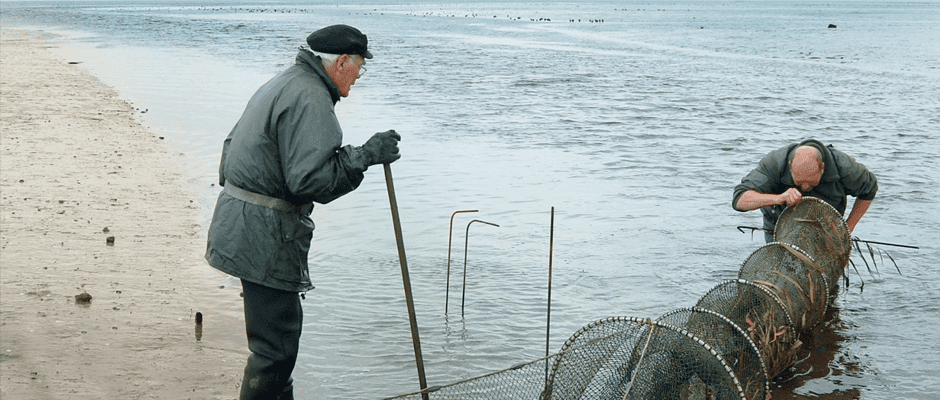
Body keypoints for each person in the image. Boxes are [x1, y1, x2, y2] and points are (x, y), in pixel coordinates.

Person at [204, 24, 401, 399]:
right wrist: (366, 156)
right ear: (342, 61)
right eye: (360, 66)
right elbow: (311, 183)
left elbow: (230, 153)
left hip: (242, 224)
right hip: (263, 234)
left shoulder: (284, 82)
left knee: (277, 342)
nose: (359, 75)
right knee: (274, 351)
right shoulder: (311, 97)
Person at [732, 139, 877, 242]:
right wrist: (778, 198)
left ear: (822, 168)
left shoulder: (845, 167)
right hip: (780, 227)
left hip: (825, 228)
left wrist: (847, 228)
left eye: (811, 182)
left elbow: (869, 190)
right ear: (790, 166)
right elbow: (740, 200)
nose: (805, 188)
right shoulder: (774, 163)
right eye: (800, 183)